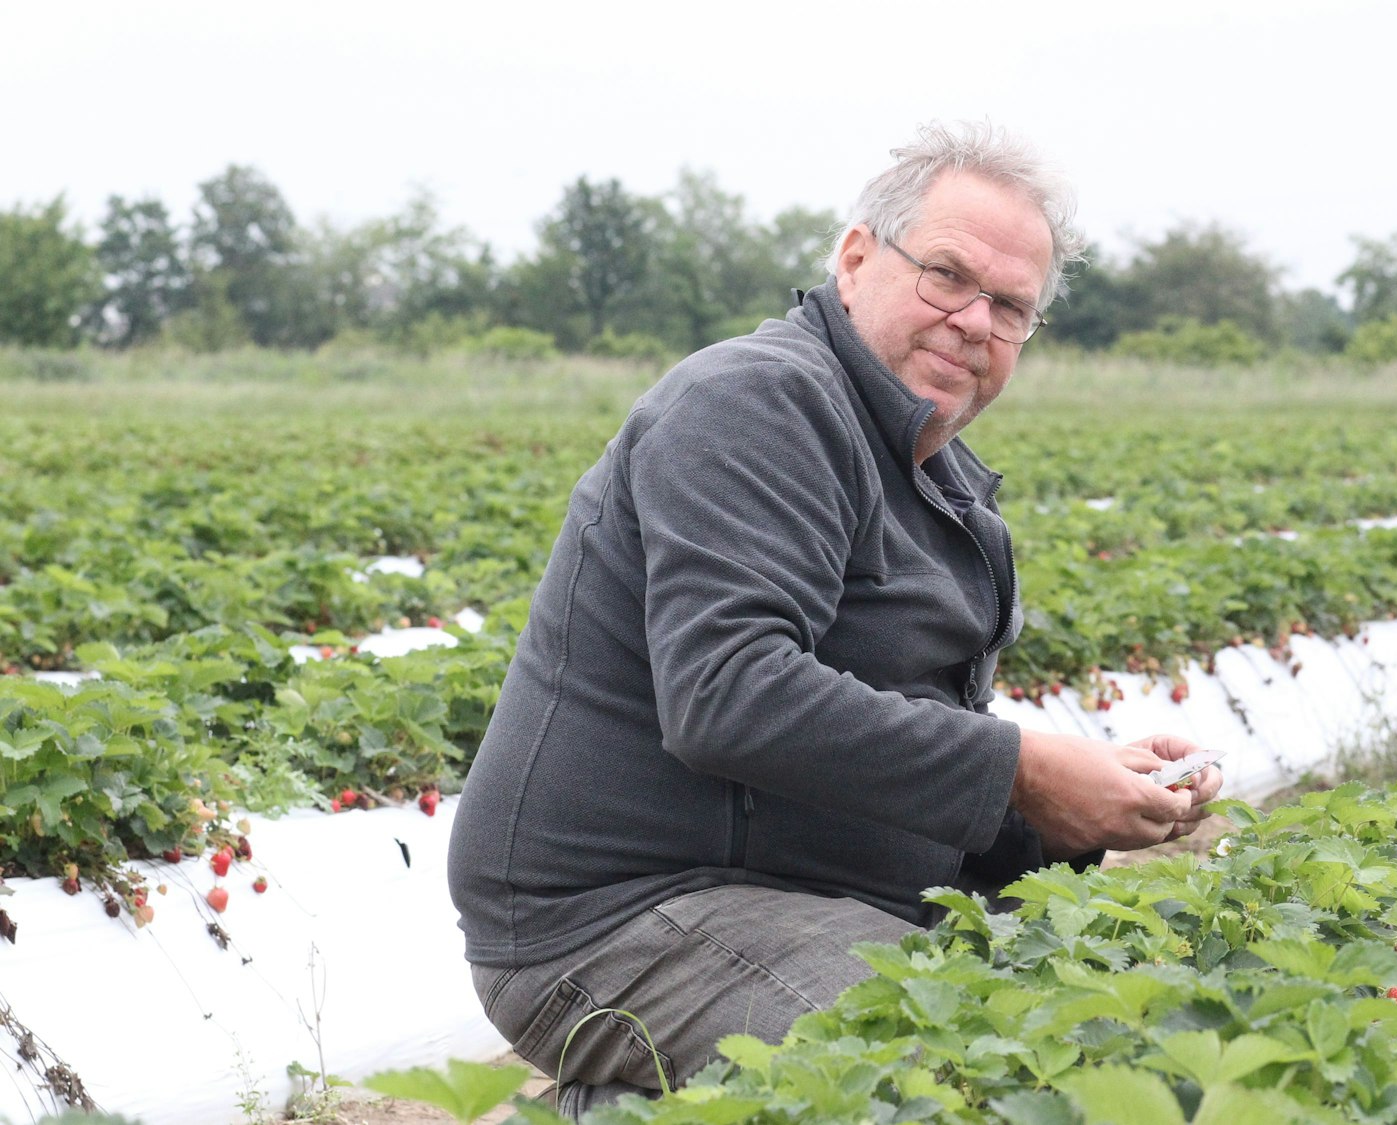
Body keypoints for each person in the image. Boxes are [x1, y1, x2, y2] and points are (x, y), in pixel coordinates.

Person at [445, 121, 1223, 1118]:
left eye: (1009, 306)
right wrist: (1021, 769)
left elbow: (888, 743)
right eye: (945, 275)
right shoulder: (755, 405)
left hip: (805, 899)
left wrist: (1070, 801)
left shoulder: (928, 472)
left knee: (1068, 1039)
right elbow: (727, 696)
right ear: (856, 259)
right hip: (617, 920)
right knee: (930, 1065)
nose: (972, 321)